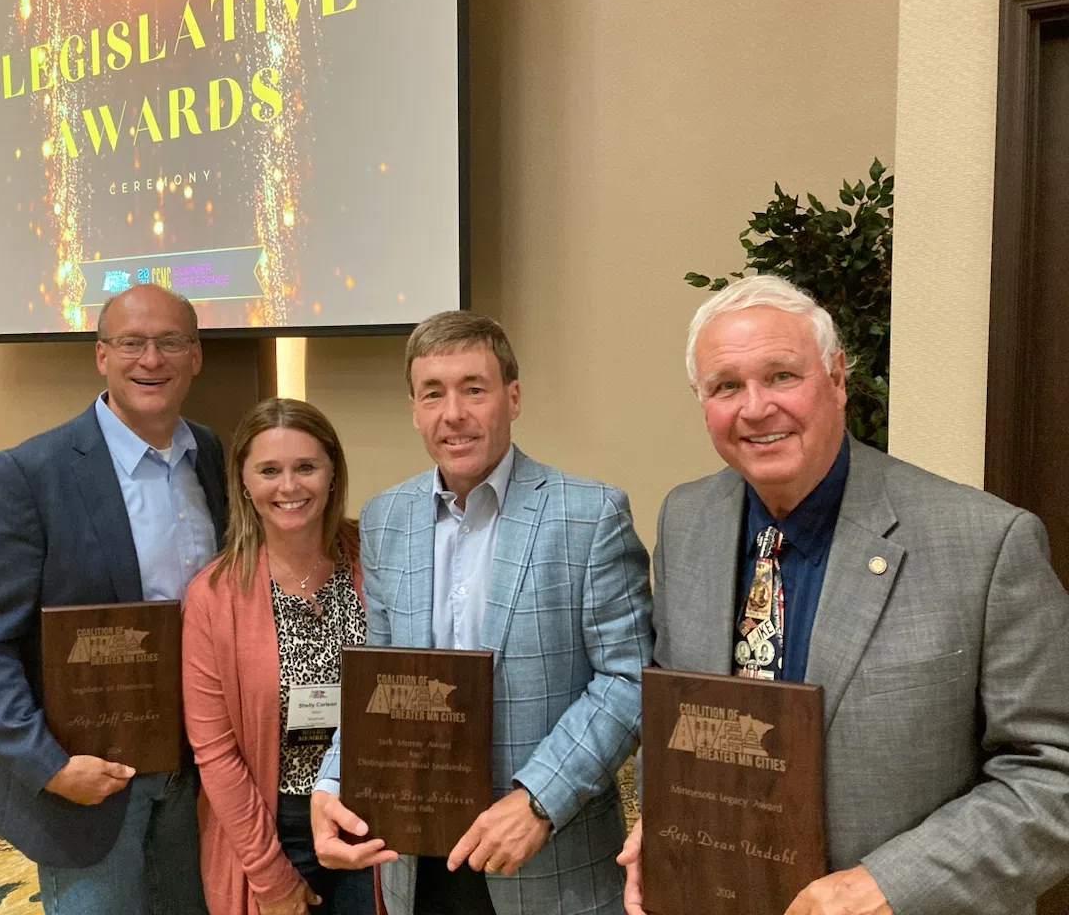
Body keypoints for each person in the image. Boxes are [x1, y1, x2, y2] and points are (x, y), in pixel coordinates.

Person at [618, 273, 1069, 915]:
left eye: (782, 376)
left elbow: (1054, 773)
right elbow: (678, 704)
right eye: (726, 386)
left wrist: (891, 887)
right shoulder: (686, 520)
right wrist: (665, 825)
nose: (755, 407)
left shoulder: (986, 543)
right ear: (702, 401)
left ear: (836, 379)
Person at [310, 310, 653, 915]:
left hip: (548, 860)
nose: (454, 414)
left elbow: (628, 680)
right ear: (414, 409)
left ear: (512, 398)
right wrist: (334, 780)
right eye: (433, 394)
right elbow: (376, 680)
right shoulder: (387, 519)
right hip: (417, 860)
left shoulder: (589, 515)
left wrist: (538, 799)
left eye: (474, 389)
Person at [0, 283, 224, 915]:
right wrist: (47, 765)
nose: (150, 360)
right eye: (131, 342)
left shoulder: (210, 454)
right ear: (102, 355)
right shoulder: (28, 473)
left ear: (196, 357)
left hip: (196, 772)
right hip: (87, 785)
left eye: (170, 343)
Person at [182, 398, 382, 915]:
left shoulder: (377, 562)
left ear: (333, 472)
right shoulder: (214, 595)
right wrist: (269, 874)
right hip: (274, 827)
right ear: (243, 482)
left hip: (371, 819)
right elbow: (216, 754)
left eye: (306, 467)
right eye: (269, 470)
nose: (289, 487)